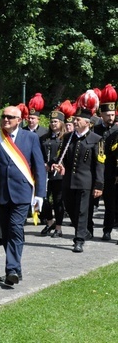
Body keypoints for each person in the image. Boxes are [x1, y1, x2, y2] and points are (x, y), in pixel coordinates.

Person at [0, 105, 46, 286]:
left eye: (10, 117)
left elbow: (39, 167)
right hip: (0, 193)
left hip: (22, 193)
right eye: (3, 116)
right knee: (6, 233)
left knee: (16, 228)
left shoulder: (31, 138)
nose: (6, 119)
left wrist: (40, 194)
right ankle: (16, 269)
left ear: (19, 120)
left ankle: (11, 270)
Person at [51, 108, 105, 252]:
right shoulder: (68, 137)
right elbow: (60, 156)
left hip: (85, 181)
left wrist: (99, 185)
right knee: (70, 208)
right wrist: (57, 163)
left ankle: (79, 240)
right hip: (68, 180)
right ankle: (83, 231)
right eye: (74, 119)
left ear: (87, 123)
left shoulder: (96, 139)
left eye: (77, 120)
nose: (74, 121)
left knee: (82, 211)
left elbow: (100, 164)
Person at [92, 85, 118, 241]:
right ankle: (87, 228)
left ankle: (107, 230)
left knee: (110, 203)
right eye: (107, 115)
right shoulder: (94, 130)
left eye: (112, 115)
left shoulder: (116, 131)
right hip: (94, 171)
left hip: (110, 172)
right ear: (101, 114)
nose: (111, 118)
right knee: (89, 203)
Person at [39, 109, 66, 238]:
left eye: (56, 121)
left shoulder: (65, 138)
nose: (53, 124)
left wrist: (54, 164)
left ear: (61, 123)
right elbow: (38, 153)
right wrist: (44, 164)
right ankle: (50, 222)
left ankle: (59, 227)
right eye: (51, 122)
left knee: (58, 201)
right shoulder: (44, 138)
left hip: (59, 174)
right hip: (45, 173)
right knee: (43, 199)